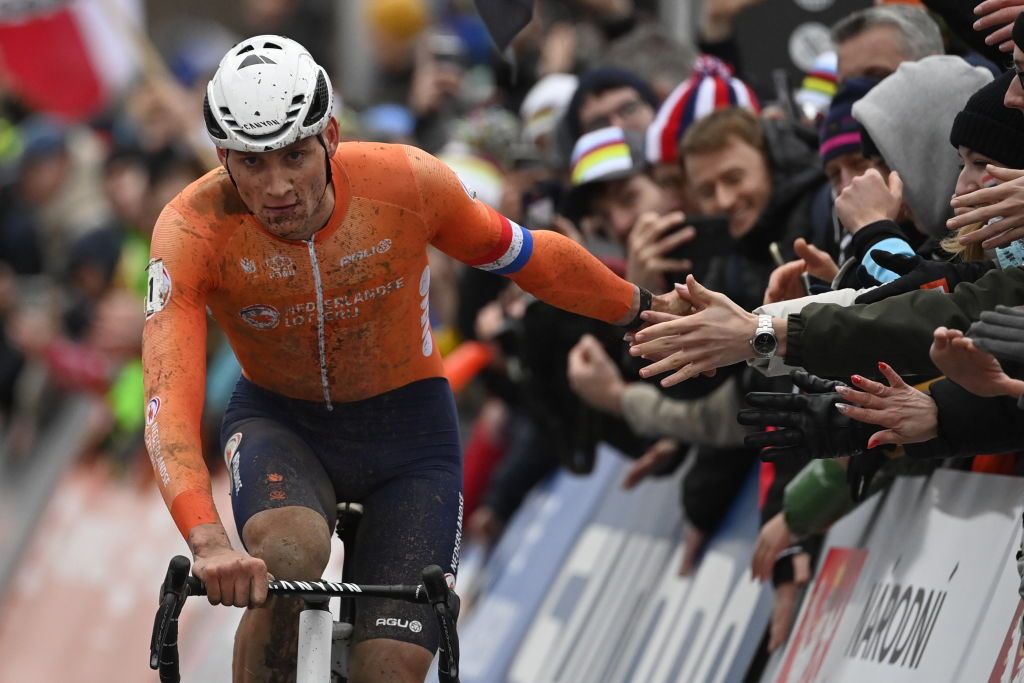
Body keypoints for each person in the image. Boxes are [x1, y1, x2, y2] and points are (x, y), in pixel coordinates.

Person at [142, 35, 684, 683]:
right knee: (288, 553)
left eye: (294, 156)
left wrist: (640, 308)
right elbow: (167, 402)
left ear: (331, 136)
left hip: (410, 432)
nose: (277, 186)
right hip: (282, 422)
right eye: (252, 164)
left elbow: (532, 257)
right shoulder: (191, 228)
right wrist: (207, 540)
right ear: (223, 156)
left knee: (391, 667)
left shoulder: (406, 182)